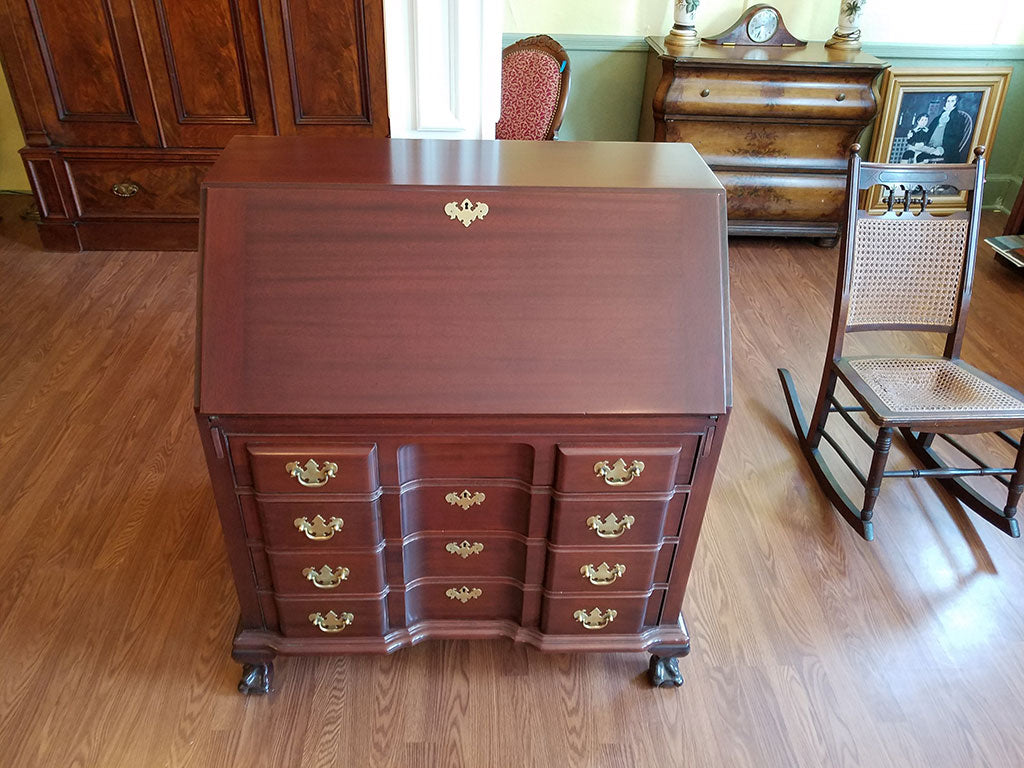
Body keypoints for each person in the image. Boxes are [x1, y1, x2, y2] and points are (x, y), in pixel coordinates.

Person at [916, 93, 974, 164]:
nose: (949, 103)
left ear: (956, 103)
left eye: (952, 101)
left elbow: (956, 138)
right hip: (931, 146)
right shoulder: (939, 117)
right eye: (948, 101)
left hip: (946, 150)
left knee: (921, 157)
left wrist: (942, 148)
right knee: (915, 153)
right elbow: (929, 131)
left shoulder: (958, 118)